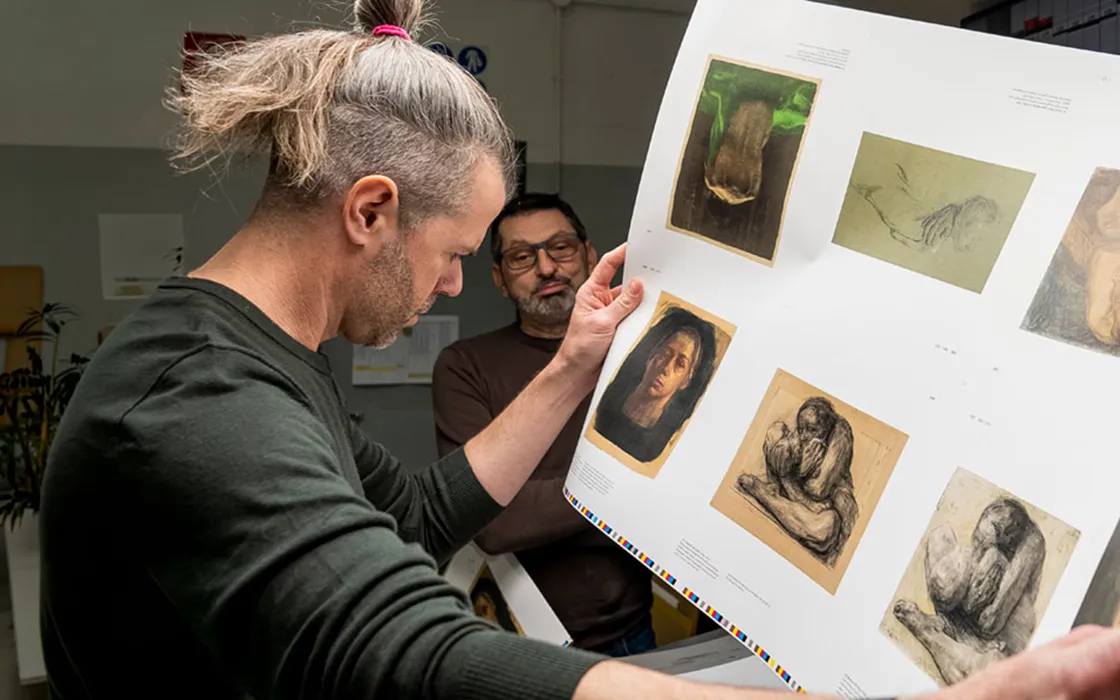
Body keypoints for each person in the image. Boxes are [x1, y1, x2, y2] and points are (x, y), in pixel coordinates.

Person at [34, 0, 1120, 698]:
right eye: (457, 252)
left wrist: (571, 364)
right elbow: (404, 654)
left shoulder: (267, 351)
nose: (455, 284)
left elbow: (410, 516)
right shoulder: (194, 398)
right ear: (368, 211)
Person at [432, 193, 657, 657]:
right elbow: (491, 522)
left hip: (634, 630)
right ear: (499, 279)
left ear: (590, 255)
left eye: (561, 248)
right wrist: (630, 487)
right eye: (521, 257)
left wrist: (542, 496)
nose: (547, 268)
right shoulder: (465, 367)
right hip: (521, 647)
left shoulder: (638, 352)